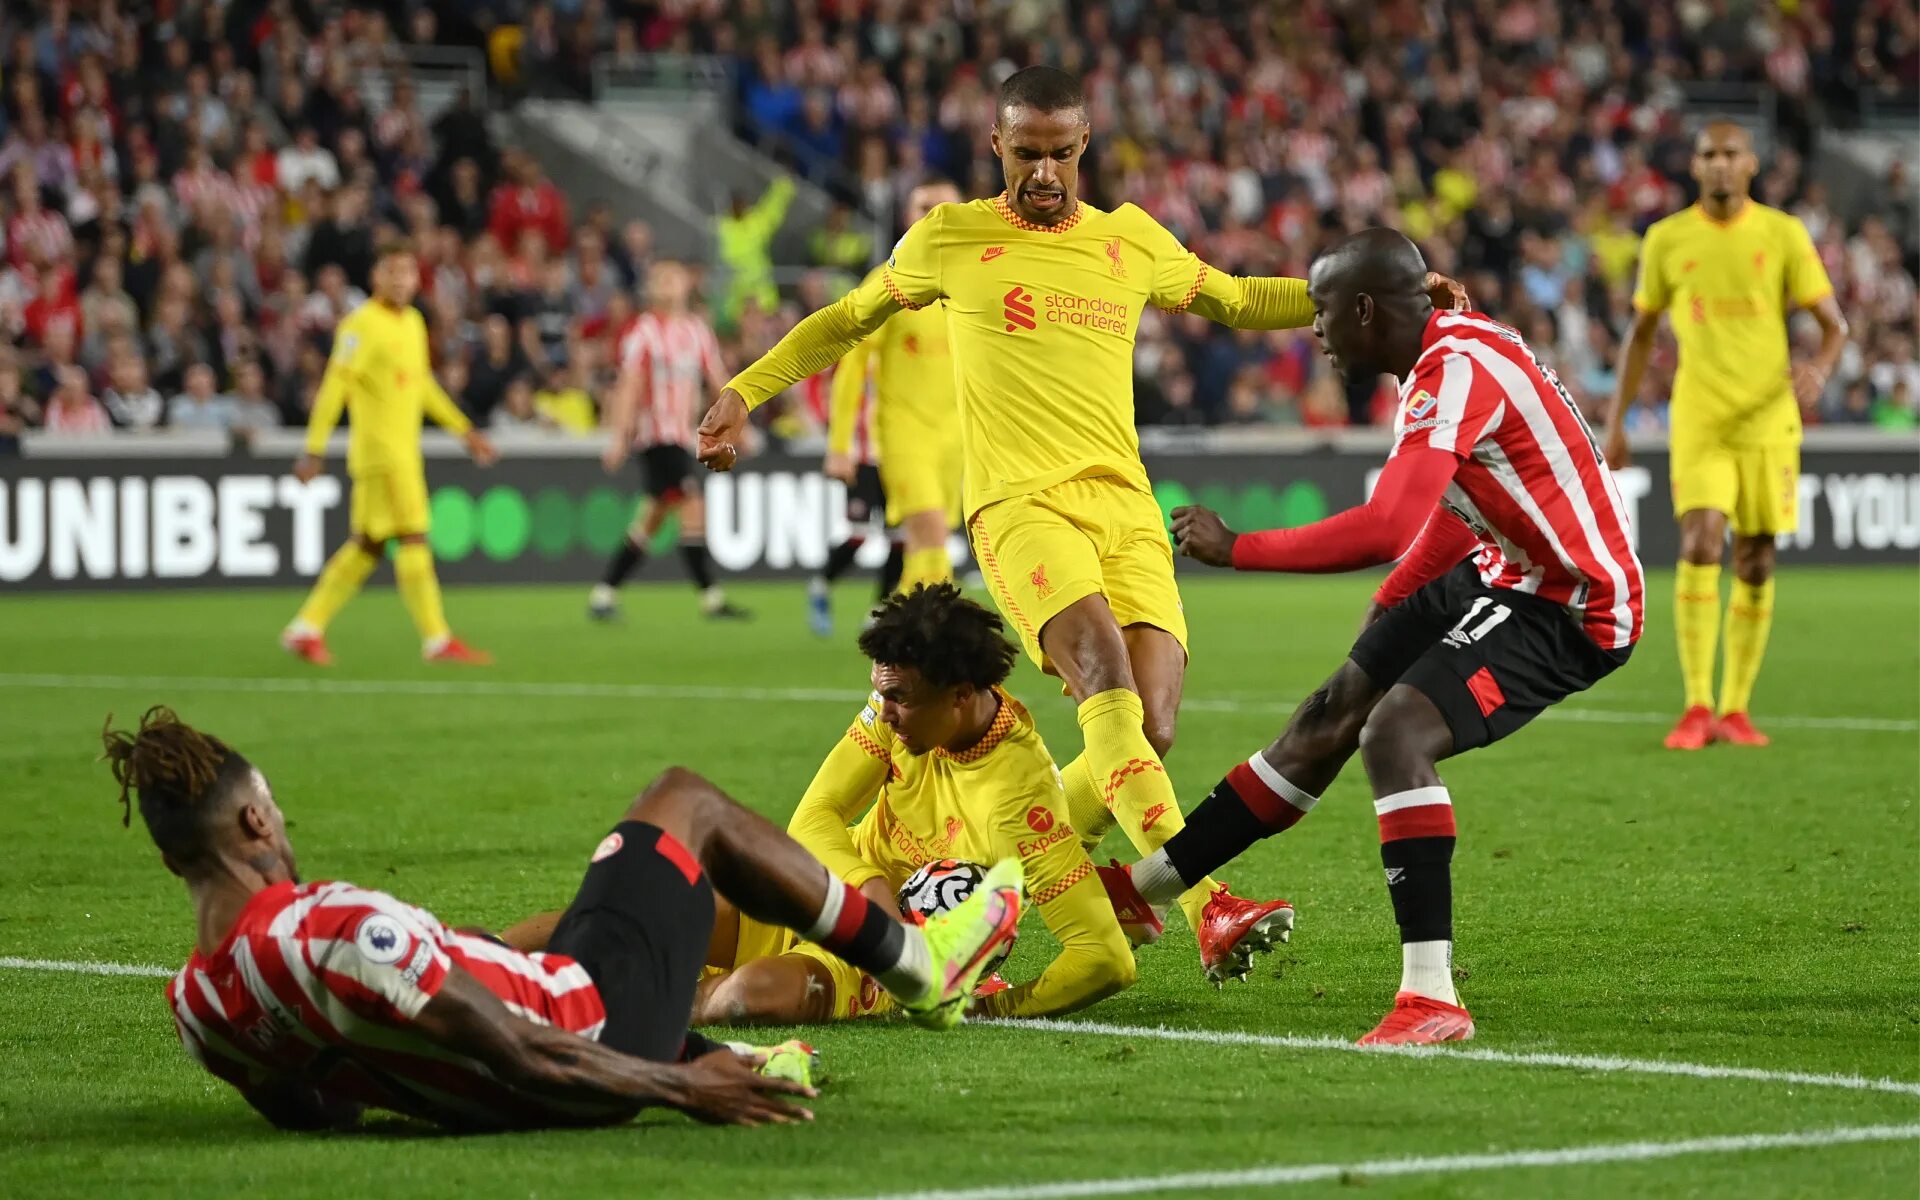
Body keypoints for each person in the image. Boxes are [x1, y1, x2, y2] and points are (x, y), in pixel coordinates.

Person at [696, 67, 1467, 982]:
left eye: (1062, 153)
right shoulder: (949, 237)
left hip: (1125, 508)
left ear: (1085, 146)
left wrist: (1389, 294)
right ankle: (1207, 907)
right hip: (1019, 506)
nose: (1046, 173)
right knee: (1100, 671)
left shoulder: (1131, 240)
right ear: (998, 147)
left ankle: (996, 881)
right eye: (1028, 154)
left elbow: (1235, 296)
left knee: (1149, 728)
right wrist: (745, 391)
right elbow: (844, 319)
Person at [1114, 229, 1643, 1044]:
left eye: (1323, 313)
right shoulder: (1448, 350)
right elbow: (1454, 509)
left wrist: (1237, 548)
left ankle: (1432, 999)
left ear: (1366, 310)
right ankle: (1143, 889)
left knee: (1394, 732)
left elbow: (1387, 523)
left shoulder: (1451, 370)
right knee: (1330, 712)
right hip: (1502, 566)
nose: (1315, 333)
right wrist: (1397, 605)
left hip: (1573, 604)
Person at [107, 707, 1021, 1132]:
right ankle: (918, 967)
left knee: (551, 926)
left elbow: (323, 1113)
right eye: (280, 816)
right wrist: (672, 1090)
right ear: (256, 822)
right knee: (682, 800)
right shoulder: (324, 925)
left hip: (524, 1083)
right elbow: (515, 1040)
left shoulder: (198, 1012)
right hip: (591, 1030)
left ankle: (736, 1053)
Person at [688, 584, 1138, 1023]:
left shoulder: (1023, 805)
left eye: (899, 698)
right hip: (824, 887)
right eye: (880, 693)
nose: (883, 712)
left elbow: (1103, 959)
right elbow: (814, 816)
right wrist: (872, 894)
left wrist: (989, 1008)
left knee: (749, 995)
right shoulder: (900, 711)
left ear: (960, 694)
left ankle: (651, 1014)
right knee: (671, 906)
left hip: (868, 963)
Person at [1604, 122, 1848, 751]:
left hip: (1769, 419)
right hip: (1701, 417)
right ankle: (1696, 703)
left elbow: (1833, 325)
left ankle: (1736, 708)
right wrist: (1616, 422)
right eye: (1708, 155)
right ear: (1694, 165)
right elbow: (1641, 334)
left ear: (1751, 164)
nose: (1719, 165)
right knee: (1701, 540)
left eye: (1730, 154)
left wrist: (1818, 367)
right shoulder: (1667, 239)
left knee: (1756, 557)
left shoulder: (1783, 234)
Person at [282, 240, 497, 667]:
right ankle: (436, 639)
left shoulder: (413, 322)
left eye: (408, 272)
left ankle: (306, 627)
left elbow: (423, 387)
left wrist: (464, 430)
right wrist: (314, 450)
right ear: (375, 276)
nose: (401, 281)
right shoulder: (360, 326)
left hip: (401, 453)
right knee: (413, 535)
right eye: (392, 272)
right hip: (382, 455)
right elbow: (334, 388)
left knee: (369, 545)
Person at [812, 176, 967, 641]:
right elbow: (851, 368)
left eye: (943, 209)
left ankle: (902, 638)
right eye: (923, 207)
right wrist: (839, 445)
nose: (933, 217)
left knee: (924, 544)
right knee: (932, 536)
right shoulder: (888, 282)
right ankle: (936, 636)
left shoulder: (976, 284)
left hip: (957, 440)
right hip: (905, 435)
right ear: (908, 217)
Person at [593, 261, 750, 622]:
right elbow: (629, 387)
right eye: (660, 277)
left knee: (652, 518)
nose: (667, 283)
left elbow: (717, 378)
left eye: (674, 276)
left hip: (682, 436)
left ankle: (604, 593)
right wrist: (619, 438)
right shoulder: (643, 332)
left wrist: (744, 418)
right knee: (692, 502)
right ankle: (711, 597)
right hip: (655, 438)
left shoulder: (697, 331)